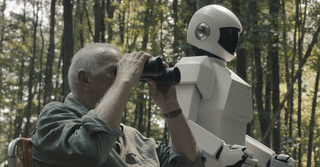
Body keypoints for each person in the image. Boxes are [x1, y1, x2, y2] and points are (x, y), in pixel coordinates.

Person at [31, 43, 206, 167]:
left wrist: (170, 106)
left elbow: (190, 162)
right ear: (84, 80)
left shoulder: (133, 138)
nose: (128, 79)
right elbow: (90, 152)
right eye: (116, 72)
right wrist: (124, 80)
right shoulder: (54, 117)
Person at [175, 4, 294, 167]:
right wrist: (220, 151)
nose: (232, 39)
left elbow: (234, 135)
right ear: (203, 31)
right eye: (227, 33)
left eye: (234, 34)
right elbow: (179, 124)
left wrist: (267, 159)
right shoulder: (195, 66)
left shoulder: (228, 76)